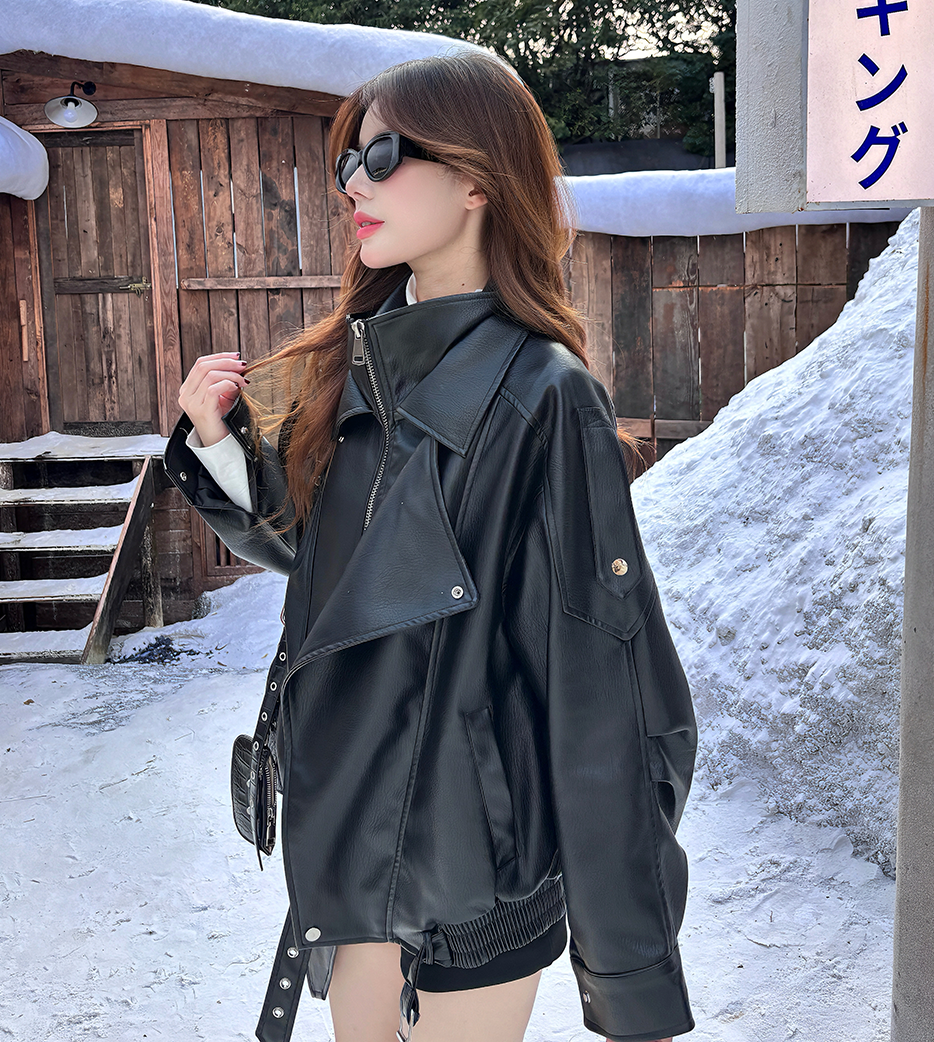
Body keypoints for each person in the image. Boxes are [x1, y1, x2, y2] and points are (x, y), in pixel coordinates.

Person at [165, 52, 697, 1042]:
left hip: (476, 869)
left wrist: (631, 973)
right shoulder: (356, 365)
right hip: (352, 841)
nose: (353, 184)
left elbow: (604, 694)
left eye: (382, 156)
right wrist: (220, 445)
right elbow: (342, 570)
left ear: (475, 179)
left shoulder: (548, 398)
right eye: (347, 163)